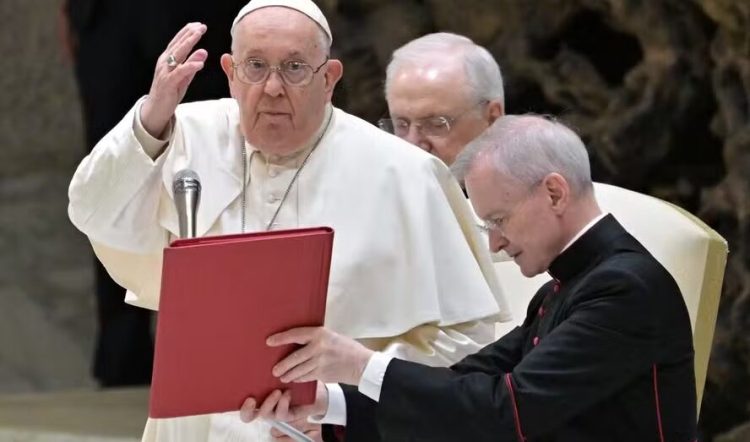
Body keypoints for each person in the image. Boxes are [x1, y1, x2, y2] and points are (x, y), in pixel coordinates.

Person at [67, 0, 511, 440]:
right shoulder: (182, 135)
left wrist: (347, 395)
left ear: (329, 78)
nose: (273, 87)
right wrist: (148, 120)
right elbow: (94, 211)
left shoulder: (403, 172)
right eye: (255, 67)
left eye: (295, 67)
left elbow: (465, 344)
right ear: (230, 72)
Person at [242, 115, 698, 441]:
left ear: (554, 192)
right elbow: (467, 382)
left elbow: (506, 412)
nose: (496, 243)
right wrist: (329, 404)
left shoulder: (624, 290)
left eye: (499, 219)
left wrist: (360, 364)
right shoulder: (563, 289)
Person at [60, 0, 246, 387]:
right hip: (106, 16)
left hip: (203, 12)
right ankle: (122, 354)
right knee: (115, 166)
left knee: (208, 162)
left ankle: (209, 346)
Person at [378, 32, 505, 166]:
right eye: (401, 125)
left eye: (436, 124)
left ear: (492, 119)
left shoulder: (526, 184)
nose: (412, 144)